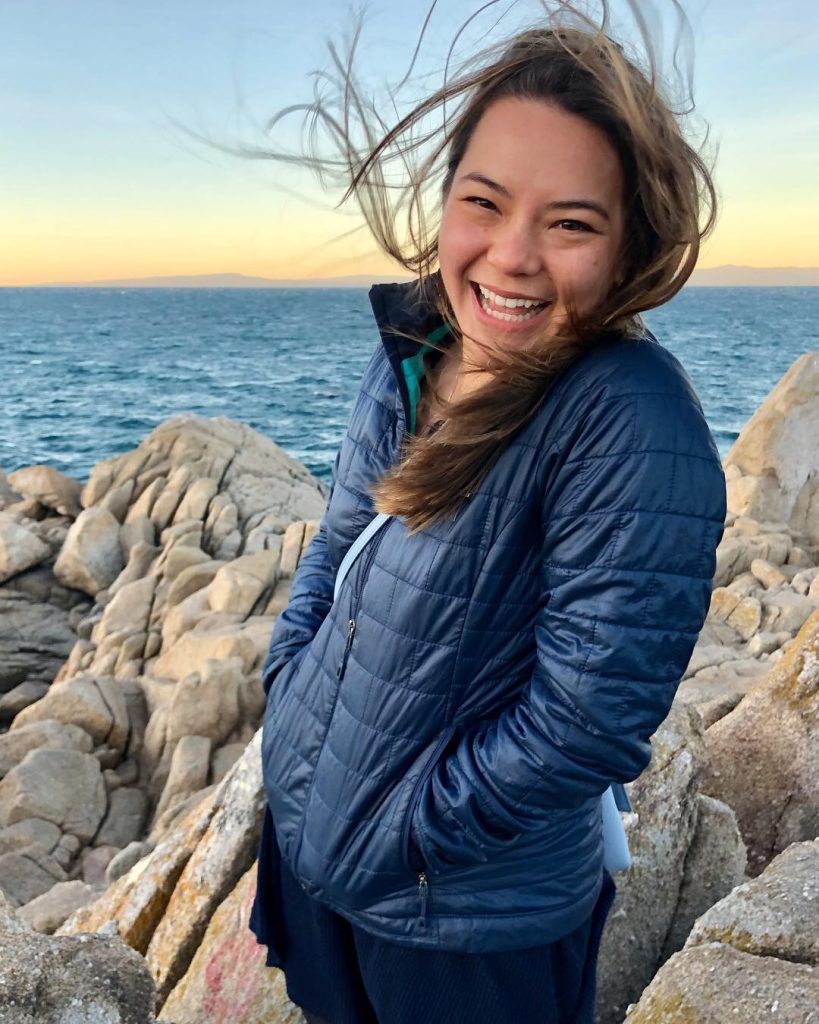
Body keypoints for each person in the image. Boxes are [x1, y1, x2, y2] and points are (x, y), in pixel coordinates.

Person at [249, 4, 726, 1022]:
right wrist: (286, 693)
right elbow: (335, 552)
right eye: (486, 202)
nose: (511, 256)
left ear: (628, 246)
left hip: (465, 918)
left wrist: (410, 829)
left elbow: (585, 720)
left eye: (570, 223)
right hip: (318, 849)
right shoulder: (417, 344)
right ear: (446, 201)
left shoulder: (632, 420)